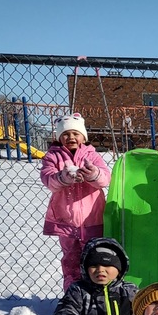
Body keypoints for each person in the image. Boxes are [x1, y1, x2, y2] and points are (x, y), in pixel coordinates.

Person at [40, 113, 111, 290]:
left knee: (95, 259)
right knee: (71, 260)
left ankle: (95, 293)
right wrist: (63, 177)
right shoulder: (53, 156)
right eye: (65, 134)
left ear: (83, 136)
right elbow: (48, 179)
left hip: (92, 219)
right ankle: (72, 293)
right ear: (59, 137)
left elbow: (105, 179)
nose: (70, 137)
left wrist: (93, 174)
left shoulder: (92, 156)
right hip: (66, 221)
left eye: (75, 133)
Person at [51, 238, 138, 315]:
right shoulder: (79, 291)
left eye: (107, 265)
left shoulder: (130, 292)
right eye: (93, 265)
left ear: (119, 269)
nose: (100, 270)